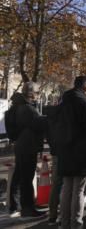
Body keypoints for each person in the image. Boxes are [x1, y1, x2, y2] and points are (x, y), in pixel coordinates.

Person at [58, 76, 86, 229]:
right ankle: (76, 224)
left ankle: (64, 223)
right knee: (78, 191)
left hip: (65, 152)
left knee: (67, 188)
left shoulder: (63, 102)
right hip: (82, 154)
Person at [13, 82, 45, 218]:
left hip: (22, 145)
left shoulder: (20, 106)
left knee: (20, 177)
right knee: (26, 179)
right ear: (31, 93)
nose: (39, 95)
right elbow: (40, 125)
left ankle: (16, 206)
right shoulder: (29, 110)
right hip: (28, 147)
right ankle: (27, 208)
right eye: (38, 92)